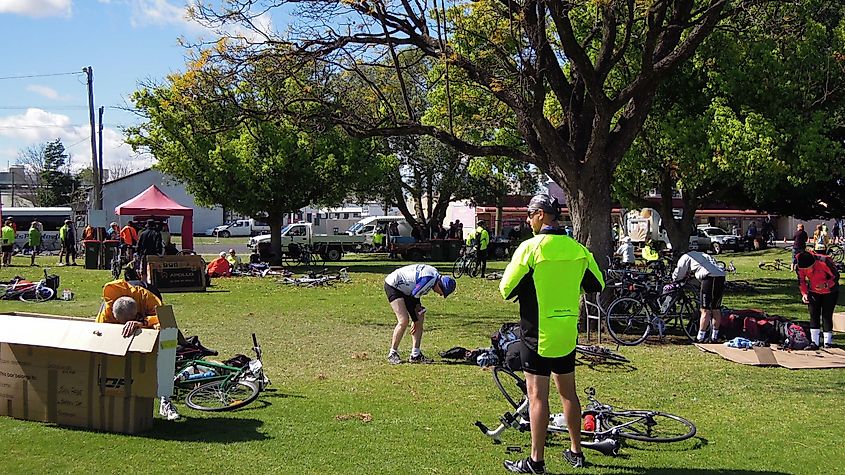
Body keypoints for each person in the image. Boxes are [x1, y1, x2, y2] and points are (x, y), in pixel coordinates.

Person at [500, 194, 604, 472]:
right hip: (566, 332)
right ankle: (576, 452)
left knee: (537, 397)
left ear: (542, 215)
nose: (527, 218)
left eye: (530, 213)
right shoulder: (577, 248)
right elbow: (597, 284)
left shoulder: (530, 248)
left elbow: (506, 289)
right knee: (569, 394)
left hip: (536, 334)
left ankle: (536, 461)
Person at [96, 279, 181, 420]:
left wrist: (143, 323)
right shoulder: (106, 313)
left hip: (146, 302)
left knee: (166, 342)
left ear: (136, 313)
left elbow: (167, 320)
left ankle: (165, 400)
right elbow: (99, 335)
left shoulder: (147, 298)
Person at [384, 264, 456, 364]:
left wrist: (417, 317)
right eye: (442, 292)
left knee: (420, 316)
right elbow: (411, 299)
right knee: (403, 320)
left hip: (408, 290)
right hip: (394, 286)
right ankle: (392, 353)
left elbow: (414, 295)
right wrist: (414, 319)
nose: (440, 294)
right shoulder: (429, 280)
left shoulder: (434, 277)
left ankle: (415, 354)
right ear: (440, 284)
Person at [672, 251, 726, 343]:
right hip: (721, 276)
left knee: (705, 310)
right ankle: (714, 337)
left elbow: (680, 272)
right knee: (716, 308)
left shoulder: (685, 256)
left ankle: (700, 337)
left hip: (709, 277)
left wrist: (674, 279)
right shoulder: (703, 255)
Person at [796, 251, 840, 349]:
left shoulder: (824, 261)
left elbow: (836, 276)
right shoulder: (799, 266)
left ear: (813, 263)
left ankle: (827, 342)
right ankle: (814, 342)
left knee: (826, 315)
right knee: (813, 314)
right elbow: (801, 280)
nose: (808, 271)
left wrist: (825, 285)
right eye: (805, 269)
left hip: (830, 291)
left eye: (809, 268)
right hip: (813, 291)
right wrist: (804, 293)